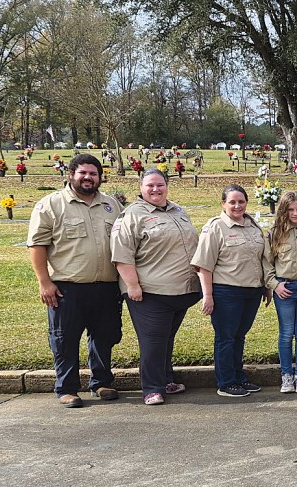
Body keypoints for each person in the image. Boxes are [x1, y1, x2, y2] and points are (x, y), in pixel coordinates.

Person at [28, 153, 124, 408]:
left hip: (106, 286)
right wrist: (44, 282)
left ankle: (101, 382)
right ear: (71, 175)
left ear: (100, 177)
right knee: (65, 339)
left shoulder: (111, 205)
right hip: (66, 288)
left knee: (104, 337)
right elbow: (37, 245)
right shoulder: (51, 204)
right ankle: (67, 388)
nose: (88, 178)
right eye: (83, 173)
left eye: (93, 174)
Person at [111, 168, 201, 405]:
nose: (155, 189)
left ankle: (165, 379)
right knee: (153, 341)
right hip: (150, 292)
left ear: (166, 186)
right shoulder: (132, 215)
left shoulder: (177, 210)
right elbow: (122, 254)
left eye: (160, 185)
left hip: (180, 290)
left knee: (166, 338)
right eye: (150, 185)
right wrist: (132, 285)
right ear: (141, 187)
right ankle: (151, 388)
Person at [192, 184, 272, 398]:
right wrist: (207, 296)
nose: (237, 206)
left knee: (239, 337)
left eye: (241, 201)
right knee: (226, 338)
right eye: (232, 202)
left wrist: (266, 286)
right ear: (223, 204)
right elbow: (204, 265)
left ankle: (239, 377)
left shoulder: (252, 225)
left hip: (251, 291)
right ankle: (226, 382)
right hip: (226, 291)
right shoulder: (216, 227)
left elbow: (261, 258)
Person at [265, 191, 297, 394]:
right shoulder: (275, 233)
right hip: (284, 289)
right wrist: (274, 285)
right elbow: (266, 263)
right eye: (291, 209)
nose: (295, 213)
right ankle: (286, 375)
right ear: (283, 210)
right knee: (287, 333)